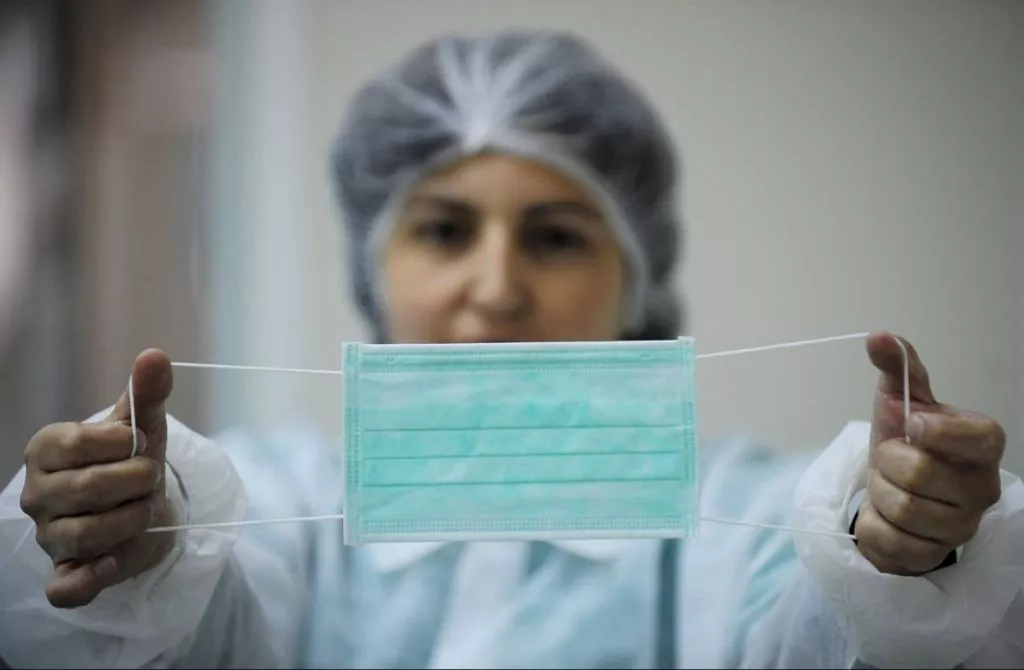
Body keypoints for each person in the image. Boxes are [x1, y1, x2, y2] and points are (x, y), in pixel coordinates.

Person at [1, 30, 1022, 669]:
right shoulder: (271, 505)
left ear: (634, 273)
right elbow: (193, 626)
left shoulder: (749, 522)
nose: (495, 288)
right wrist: (139, 558)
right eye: (445, 230)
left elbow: (834, 630)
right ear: (374, 263)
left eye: (556, 236)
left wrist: (904, 554)